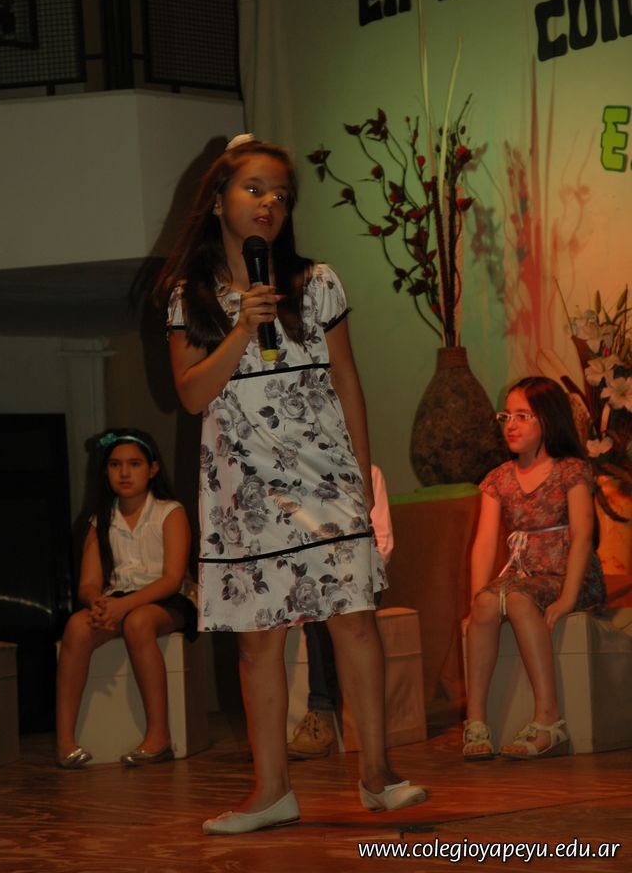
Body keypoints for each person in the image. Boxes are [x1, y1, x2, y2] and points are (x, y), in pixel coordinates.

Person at [159, 134, 426, 835]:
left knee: (354, 619)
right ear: (218, 200)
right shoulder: (190, 297)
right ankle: (272, 791)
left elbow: (347, 380)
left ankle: (378, 774)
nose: (270, 203)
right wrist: (242, 327)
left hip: (324, 478)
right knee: (258, 642)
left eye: (281, 194)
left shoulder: (316, 284)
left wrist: (362, 477)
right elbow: (192, 395)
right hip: (242, 490)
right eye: (254, 188)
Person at [462, 376, 606, 761]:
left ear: (548, 419)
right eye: (506, 416)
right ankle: (476, 721)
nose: (511, 424)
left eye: (522, 416)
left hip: (567, 575)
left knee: (519, 601)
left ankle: (548, 719)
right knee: (487, 603)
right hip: (522, 576)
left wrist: (567, 598)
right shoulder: (498, 479)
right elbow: (484, 544)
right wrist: (475, 602)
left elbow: (582, 536)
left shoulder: (571, 471)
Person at [56, 428, 195, 768]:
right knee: (76, 627)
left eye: (134, 464)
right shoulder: (99, 521)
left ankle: (159, 737)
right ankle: (65, 742)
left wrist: (122, 606)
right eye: (115, 464)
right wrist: (98, 602)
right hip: (118, 599)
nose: (124, 472)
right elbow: (89, 583)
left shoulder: (170, 512)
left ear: (153, 469)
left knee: (138, 622)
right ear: (105, 471)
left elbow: (172, 579)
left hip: (168, 600)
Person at [288, 464, 393, 759]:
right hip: (308, 574)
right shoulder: (296, 468)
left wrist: (346, 575)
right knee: (315, 598)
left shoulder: (368, 471)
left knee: (327, 608)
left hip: (358, 576)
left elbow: (383, 542)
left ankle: (321, 713)